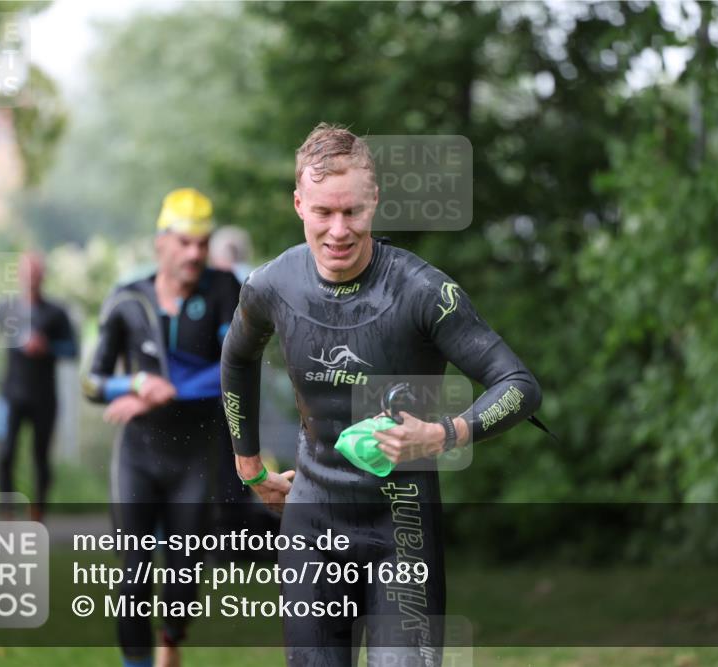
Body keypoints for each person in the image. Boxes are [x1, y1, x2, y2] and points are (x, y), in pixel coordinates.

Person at [220, 124, 543, 666]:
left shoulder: (422, 292)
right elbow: (237, 358)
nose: (339, 230)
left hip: (403, 528)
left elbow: (520, 386)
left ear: (376, 202)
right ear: (299, 204)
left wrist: (445, 433)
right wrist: (250, 467)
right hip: (312, 519)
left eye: (353, 212)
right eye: (323, 212)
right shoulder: (272, 286)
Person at [82, 188, 246, 667]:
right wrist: (133, 383)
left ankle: (170, 641)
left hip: (195, 456)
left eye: (203, 243)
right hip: (138, 455)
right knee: (133, 576)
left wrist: (164, 387)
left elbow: (233, 369)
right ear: (161, 243)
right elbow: (93, 382)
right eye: (184, 242)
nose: (195, 253)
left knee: (183, 575)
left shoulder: (224, 291)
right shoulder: (127, 299)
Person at [0, 251, 78, 522]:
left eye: (35, 272)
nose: (30, 278)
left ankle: (38, 512)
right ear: (19, 275)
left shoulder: (56, 313)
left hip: (44, 397)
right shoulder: (7, 307)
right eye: (26, 272)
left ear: (42, 276)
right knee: (6, 453)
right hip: (12, 394)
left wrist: (47, 347)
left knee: (40, 458)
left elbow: (72, 349)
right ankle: (6, 512)